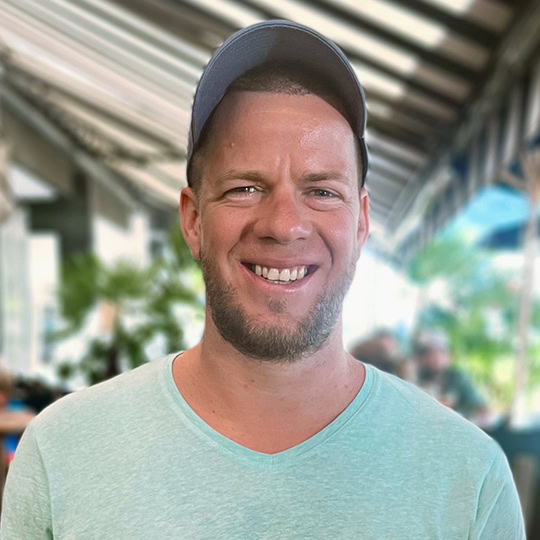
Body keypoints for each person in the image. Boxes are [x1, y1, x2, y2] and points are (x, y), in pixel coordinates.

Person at [1, 20, 525, 538]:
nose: (284, 224)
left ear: (361, 223)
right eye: (245, 189)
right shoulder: (62, 453)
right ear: (193, 220)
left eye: (322, 191)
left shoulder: (468, 477)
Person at [414, 331, 491, 424]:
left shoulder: (457, 378)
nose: (436, 359)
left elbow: (477, 404)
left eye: (441, 353)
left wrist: (479, 411)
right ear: (422, 358)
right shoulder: (416, 377)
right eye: (431, 354)